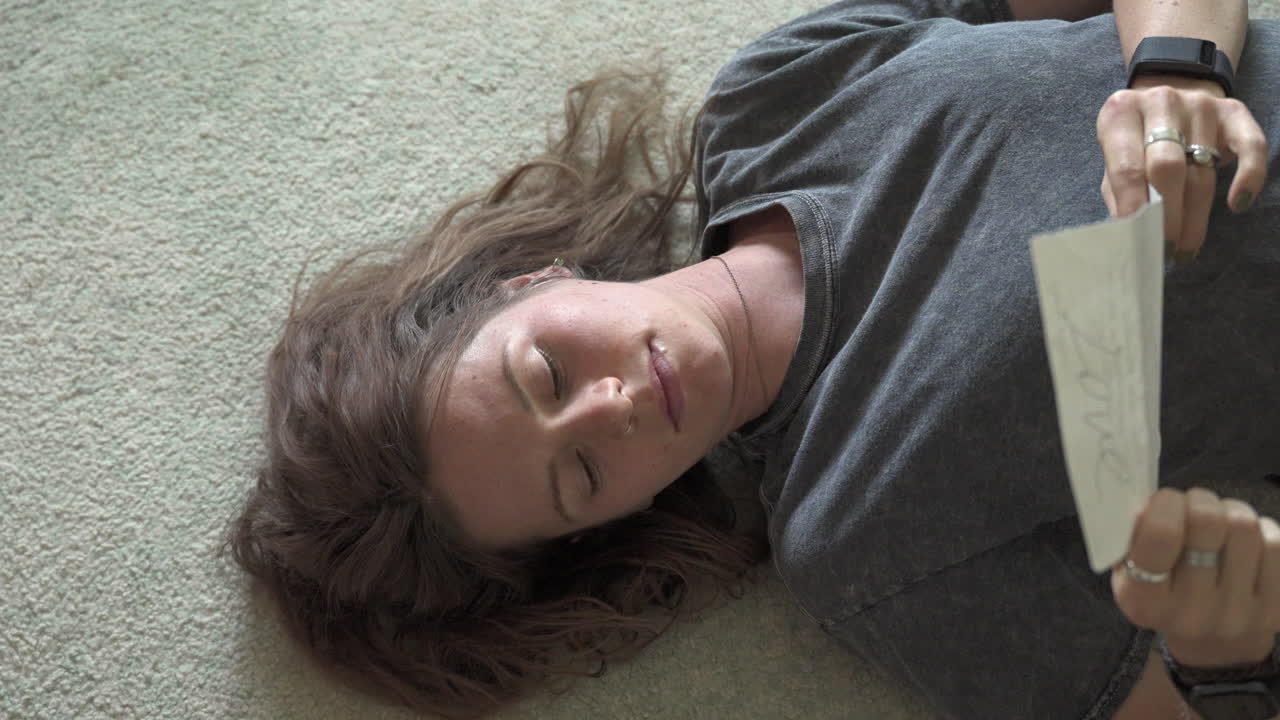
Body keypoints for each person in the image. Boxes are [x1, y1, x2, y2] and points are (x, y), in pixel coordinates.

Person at [226, 1, 1280, 718]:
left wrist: (1175, 65)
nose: (615, 405)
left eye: (545, 373)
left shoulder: (770, 100)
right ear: (609, 524)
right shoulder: (859, 536)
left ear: (527, 281)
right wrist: (1223, 649)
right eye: (582, 474)